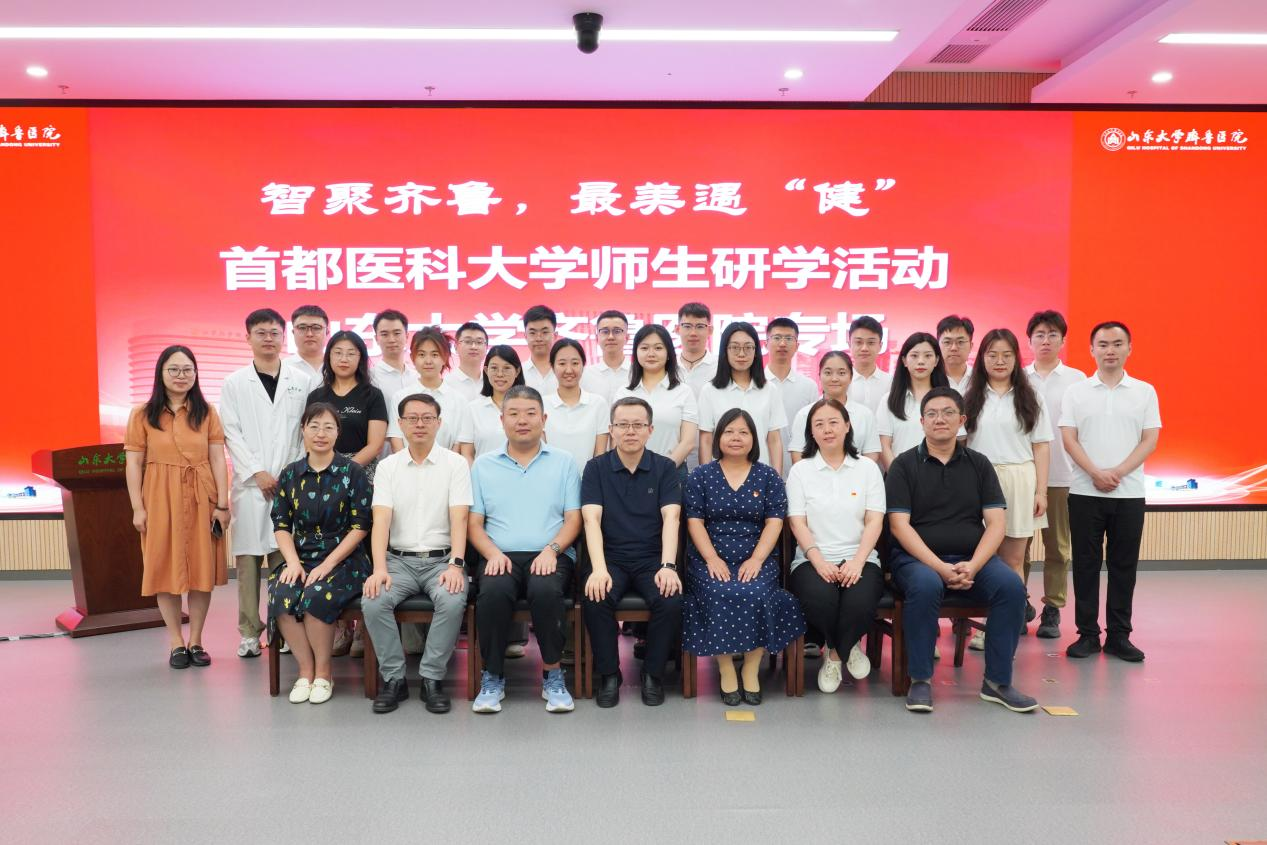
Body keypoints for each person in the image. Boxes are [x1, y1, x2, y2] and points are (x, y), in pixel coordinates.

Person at [886, 387, 1037, 714]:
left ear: (962, 420)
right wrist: (940, 567)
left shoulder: (979, 464)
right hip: (916, 560)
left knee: (1012, 587)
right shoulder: (903, 465)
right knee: (926, 585)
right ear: (922, 422)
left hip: (973, 559)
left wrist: (974, 565)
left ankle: (997, 682)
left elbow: (996, 524)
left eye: (948, 413)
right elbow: (899, 526)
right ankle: (920, 679)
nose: (940, 419)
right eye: (932, 414)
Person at [468, 386, 582, 713]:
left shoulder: (564, 462)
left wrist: (552, 550)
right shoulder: (483, 465)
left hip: (550, 553)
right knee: (493, 592)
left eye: (530, 413)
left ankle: (553, 675)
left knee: (546, 590)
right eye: (514, 414)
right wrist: (492, 553)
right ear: (502, 420)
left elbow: (574, 519)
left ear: (543, 419)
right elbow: (474, 523)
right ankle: (492, 677)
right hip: (499, 554)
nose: (522, 420)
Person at [682, 408, 806, 706]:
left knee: (756, 591)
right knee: (719, 590)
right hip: (710, 557)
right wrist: (711, 558)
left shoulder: (768, 476)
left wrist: (757, 559)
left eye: (743, 432)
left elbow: (774, 522)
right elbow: (695, 522)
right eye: (729, 432)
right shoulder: (701, 475)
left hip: (756, 556)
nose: (735, 438)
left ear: (754, 438)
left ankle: (751, 667)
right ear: (718, 438)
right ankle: (726, 667)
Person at [362, 394, 472, 715]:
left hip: (442, 561)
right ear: (400, 424)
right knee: (374, 600)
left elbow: (460, 518)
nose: (420, 424)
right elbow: (381, 521)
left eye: (427, 418)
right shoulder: (388, 467)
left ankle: (431, 678)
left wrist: (456, 565)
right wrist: (379, 568)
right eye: (412, 418)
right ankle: (394, 678)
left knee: (452, 599)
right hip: (398, 561)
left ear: (439, 423)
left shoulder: (455, 464)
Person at [1060, 321, 1160, 663]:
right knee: (1085, 565)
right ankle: (1087, 634)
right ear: (1092, 350)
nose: (1110, 350)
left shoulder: (1144, 391)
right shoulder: (1076, 392)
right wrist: (1094, 472)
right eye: (1103, 344)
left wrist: (1117, 472)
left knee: (1123, 566)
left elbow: (1149, 439)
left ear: (1129, 348)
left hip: (1128, 493)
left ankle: (1119, 635)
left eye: (1118, 344)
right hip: (1084, 492)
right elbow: (1069, 438)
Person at [124, 346, 230, 669]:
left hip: (201, 495)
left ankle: (196, 640)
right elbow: (134, 464)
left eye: (187, 370)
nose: (181, 376)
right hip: (159, 497)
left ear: (196, 374)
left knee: (201, 570)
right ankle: (175, 643)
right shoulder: (141, 414)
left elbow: (217, 459)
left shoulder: (207, 412)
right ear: (161, 373)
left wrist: (222, 504)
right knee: (163, 567)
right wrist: (138, 507)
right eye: (174, 369)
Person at [220, 308, 316, 659]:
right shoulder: (234, 383)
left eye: (275, 332)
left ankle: (285, 627)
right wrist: (257, 472)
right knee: (248, 564)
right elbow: (231, 432)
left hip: (289, 483)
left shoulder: (302, 381)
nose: (268, 338)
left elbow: (305, 431)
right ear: (248, 338)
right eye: (261, 332)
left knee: (285, 558)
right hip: (250, 486)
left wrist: (290, 473)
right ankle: (249, 632)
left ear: (283, 337)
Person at [267, 403, 373, 704]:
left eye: (328, 427)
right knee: (281, 594)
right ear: (303, 430)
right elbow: (281, 524)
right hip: (301, 557)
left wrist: (328, 563)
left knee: (316, 595)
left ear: (338, 432)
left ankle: (324, 674)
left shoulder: (352, 472)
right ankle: (306, 671)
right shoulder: (290, 474)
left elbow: (361, 526)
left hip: (344, 559)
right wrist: (292, 562)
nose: (321, 433)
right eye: (314, 426)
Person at [581, 397, 684, 707]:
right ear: (611, 429)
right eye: (623, 425)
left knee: (670, 598)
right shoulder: (596, 467)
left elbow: (672, 518)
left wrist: (668, 566)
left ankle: (652, 674)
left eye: (637, 425)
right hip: (610, 557)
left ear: (650, 430)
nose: (630, 431)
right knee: (595, 596)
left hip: (652, 558)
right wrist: (599, 569)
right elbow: (591, 519)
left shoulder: (665, 467)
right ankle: (609, 675)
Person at [786, 399, 885, 692]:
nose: (827, 430)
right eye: (819, 424)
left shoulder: (867, 468)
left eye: (833, 422)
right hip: (812, 559)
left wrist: (857, 561)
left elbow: (874, 521)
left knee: (859, 602)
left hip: (860, 557)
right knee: (820, 600)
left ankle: (834, 654)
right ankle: (848, 644)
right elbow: (797, 523)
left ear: (847, 426)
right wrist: (818, 561)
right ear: (811, 432)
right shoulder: (801, 471)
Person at [964, 328, 1053, 648]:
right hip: (978, 479)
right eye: (992, 355)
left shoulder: (1030, 397)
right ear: (982, 358)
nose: (999, 361)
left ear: (1016, 358)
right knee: (982, 556)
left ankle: (1004, 628)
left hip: (1019, 479)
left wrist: (1041, 491)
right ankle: (979, 623)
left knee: (1014, 559)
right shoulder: (969, 396)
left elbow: (1041, 446)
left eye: (1006, 355)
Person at [1024, 310, 1087, 639]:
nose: (1045, 340)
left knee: (1058, 547)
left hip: (1062, 475)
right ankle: (1017, 602)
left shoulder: (1077, 380)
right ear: (1029, 341)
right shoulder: (1019, 378)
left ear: (1063, 341)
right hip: (1023, 475)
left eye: (1052, 335)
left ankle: (1053, 607)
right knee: (1017, 545)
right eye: (1039, 335)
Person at [698, 321, 788, 475]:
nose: (741, 354)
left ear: (756, 351)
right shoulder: (710, 390)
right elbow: (706, 440)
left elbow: (774, 440)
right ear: (725, 351)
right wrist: (706, 479)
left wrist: (776, 479)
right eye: (735, 347)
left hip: (760, 476)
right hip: (720, 478)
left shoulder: (769, 390)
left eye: (748, 347)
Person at [613, 324, 699, 482]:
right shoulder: (623, 393)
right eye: (644, 348)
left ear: (668, 353)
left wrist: (662, 470)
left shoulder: (683, 391)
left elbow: (688, 442)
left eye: (658, 348)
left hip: (672, 473)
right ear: (636, 353)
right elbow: (616, 439)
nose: (651, 354)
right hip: (629, 474)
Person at [305, 330, 388, 479]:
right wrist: (326, 469)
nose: (344, 359)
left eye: (351, 354)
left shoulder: (373, 395)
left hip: (360, 472)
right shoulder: (316, 396)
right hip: (321, 471)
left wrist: (342, 470)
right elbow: (309, 440)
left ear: (360, 358)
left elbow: (375, 446)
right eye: (338, 353)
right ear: (329, 356)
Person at [386, 326, 472, 455]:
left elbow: (459, 444)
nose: (428, 361)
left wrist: (446, 465)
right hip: (406, 465)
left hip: (448, 466)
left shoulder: (459, 400)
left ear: (445, 358)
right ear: (413, 358)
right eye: (421, 354)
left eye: (435, 355)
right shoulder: (400, 397)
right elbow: (396, 439)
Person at [788, 350, 881, 465]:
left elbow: (871, 455)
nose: (834, 379)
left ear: (851, 377)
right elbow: (797, 456)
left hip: (856, 476)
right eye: (828, 373)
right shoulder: (805, 414)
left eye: (841, 373)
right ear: (819, 376)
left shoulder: (865, 415)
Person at [876, 331, 951, 470]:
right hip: (900, 476)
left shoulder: (949, 399)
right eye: (914, 356)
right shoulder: (889, 400)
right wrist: (898, 476)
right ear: (904, 360)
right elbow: (884, 445)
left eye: (928, 355)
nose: (921, 361)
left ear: (936, 360)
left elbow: (957, 441)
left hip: (941, 475)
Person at [544, 338, 610, 474]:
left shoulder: (598, 404)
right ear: (552, 366)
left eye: (575, 363)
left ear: (583, 365)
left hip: (589, 481)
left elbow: (600, 455)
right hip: (551, 480)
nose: (569, 370)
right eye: (562, 363)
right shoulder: (542, 405)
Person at [765, 317, 820, 477]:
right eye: (777, 338)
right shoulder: (755, 384)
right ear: (766, 344)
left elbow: (814, 430)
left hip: (801, 469)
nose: (782, 343)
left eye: (789, 338)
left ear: (797, 345)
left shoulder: (808, 386)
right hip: (762, 467)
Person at [458, 344, 525, 461]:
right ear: (486, 370)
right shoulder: (473, 409)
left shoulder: (528, 406)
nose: (500, 374)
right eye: (494, 368)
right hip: (483, 472)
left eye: (506, 368)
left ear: (517, 371)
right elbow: (467, 453)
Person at [580, 310, 631, 402]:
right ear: (597, 338)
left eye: (617, 331)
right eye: (605, 331)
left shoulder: (638, 373)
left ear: (627, 337)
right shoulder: (584, 375)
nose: (611, 337)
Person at [370, 309, 415, 412]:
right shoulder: (370, 378)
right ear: (376, 339)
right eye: (384, 334)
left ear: (407, 336)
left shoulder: (418, 377)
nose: (391, 340)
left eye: (397, 333)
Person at [846, 315, 892, 414]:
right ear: (849, 345)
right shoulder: (842, 382)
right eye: (858, 342)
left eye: (871, 343)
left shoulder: (891, 382)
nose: (864, 348)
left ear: (880, 346)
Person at [675, 301, 717, 399]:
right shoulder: (667, 366)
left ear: (710, 330)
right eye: (687, 326)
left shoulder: (720, 367)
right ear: (677, 329)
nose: (693, 333)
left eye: (700, 327)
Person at [444, 321, 488, 403]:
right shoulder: (446, 383)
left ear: (486, 348)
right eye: (468, 341)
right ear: (456, 347)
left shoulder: (492, 382)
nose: (474, 347)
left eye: (479, 342)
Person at [284, 304, 329, 382]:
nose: (309, 334)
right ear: (293, 332)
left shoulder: (338, 366)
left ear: (327, 332)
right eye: (302, 328)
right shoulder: (282, 368)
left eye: (316, 328)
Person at [521, 304, 559, 393]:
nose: (538, 338)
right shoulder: (517, 372)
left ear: (555, 335)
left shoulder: (566, 371)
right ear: (525, 336)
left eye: (544, 332)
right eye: (532, 333)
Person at [937, 314, 975, 395]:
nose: (953, 348)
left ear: (971, 346)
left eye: (960, 342)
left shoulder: (980, 377)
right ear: (938, 346)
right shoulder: (929, 378)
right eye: (947, 342)